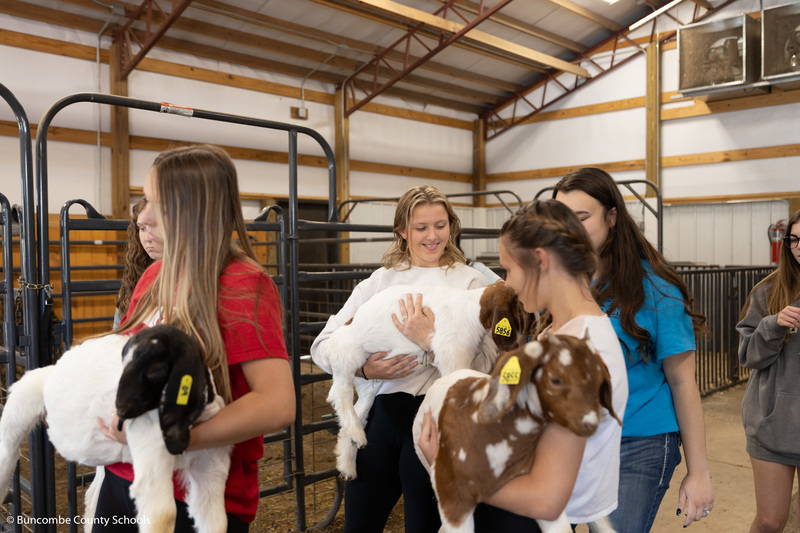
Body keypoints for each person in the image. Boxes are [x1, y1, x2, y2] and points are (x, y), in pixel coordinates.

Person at [96, 144, 295, 532]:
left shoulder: (243, 284)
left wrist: (170, 437)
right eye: (146, 200)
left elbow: (276, 404)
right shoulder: (155, 275)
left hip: (196, 495)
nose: (145, 217)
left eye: (159, 203)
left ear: (193, 207)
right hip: (126, 474)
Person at [418, 199, 629, 532]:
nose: (508, 283)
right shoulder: (561, 329)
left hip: (529, 518)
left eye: (509, 269)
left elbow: (547, 499)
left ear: (540, 261)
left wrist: (450, 468)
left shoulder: (579, 349)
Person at [311, 184, 497, 533]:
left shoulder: (472, 283)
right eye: (420, 227)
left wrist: (430, 344)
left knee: (423, 525)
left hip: (438, 418)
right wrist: (364, 369)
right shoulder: (379, 283)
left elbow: (489, 363)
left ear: (452, 226)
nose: (432, 236)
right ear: (402, 231)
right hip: (380, 417)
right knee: (359, 524)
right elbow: (323, 345)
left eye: (440, 225)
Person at [553, 167, 714, 530]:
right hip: (568, 440)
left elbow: (683, 382)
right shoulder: (553, 282)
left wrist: (699, 471)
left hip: (638, 440)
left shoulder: (655, 289)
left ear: (612, 217)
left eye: (582, 218)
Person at [738, 209, 800, 533]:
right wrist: (773, 325)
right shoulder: (768, 291)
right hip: (774, 421)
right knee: (770, 520)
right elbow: (747, 355)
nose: (799, 246)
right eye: (795, 239)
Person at [113, 197, 163, 329]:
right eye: (142, 228)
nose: (147, 238)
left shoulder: (188, 276)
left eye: (154, 227)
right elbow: (118, 331)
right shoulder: (136, 275)